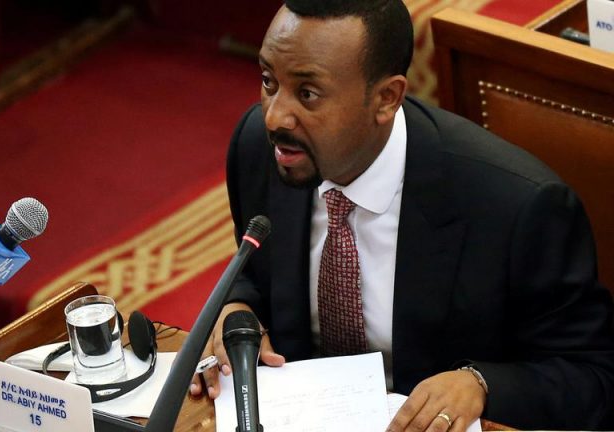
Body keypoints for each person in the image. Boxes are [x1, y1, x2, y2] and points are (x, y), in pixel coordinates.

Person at [189, 0, 614, 430]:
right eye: (267, 81)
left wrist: (481, 384)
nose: (275, 114)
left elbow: (593, 376)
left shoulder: (517, 208)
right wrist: (239, 307)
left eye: (308, 94)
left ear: (386, 99)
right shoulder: (261, 150)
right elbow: (255, 270)